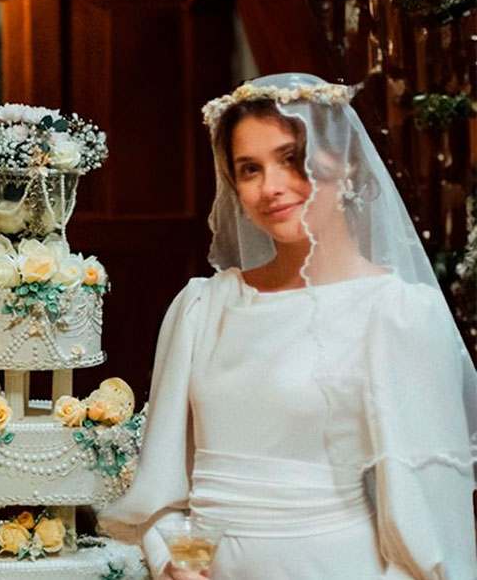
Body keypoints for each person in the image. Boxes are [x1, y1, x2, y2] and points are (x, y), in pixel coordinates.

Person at [99, 73, 477, 579]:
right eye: (249, 169)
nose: (271, 187)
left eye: (292, 159)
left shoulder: (397, 314)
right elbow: (168, 490)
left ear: (345, 162)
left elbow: (431, 521)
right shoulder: (203, 308)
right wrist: (177, 563)